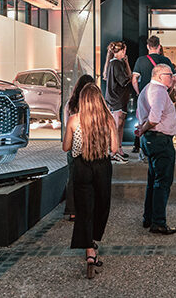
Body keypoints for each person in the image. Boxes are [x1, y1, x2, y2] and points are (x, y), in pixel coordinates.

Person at [62, 83, 114, 278]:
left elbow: (66, 147)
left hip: (81, 166)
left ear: (83, 100)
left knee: (84, 208)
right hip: (102, 166)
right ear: (99, 100)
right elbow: (114, 148)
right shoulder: (108, 119)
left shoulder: (74, 119)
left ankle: (89, 251)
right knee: (101, 205)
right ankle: (93, 239)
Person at [135, 63, 176, 235]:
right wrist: (143, 129)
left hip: (151, 140)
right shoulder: (159, 91)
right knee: (162, 182)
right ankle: (158, 222)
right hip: (160, 140)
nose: (173, 78)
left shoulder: (148, 88)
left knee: (153, 181)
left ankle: (149, 217)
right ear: (160, 76)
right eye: (170, 75)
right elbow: (154, 119)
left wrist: (143, 130)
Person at [131, 36, 175, 154]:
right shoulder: (165, 60)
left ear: (148, 46)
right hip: (160, 92)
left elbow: (134, 79)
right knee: (160, 118)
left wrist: (139, 93)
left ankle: (139, 145)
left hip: (146, 93)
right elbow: (174, 80)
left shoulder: (141, 60)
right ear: (159, 46)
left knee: (142, 119)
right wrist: (168, 91)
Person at [63, 74, 96, 222]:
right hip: (90, 147)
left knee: (73, 179)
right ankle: (87, 208)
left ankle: (72, 211)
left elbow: (67, 125)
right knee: (90, 180)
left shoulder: (70, 104)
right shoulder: (94, 106)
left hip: (74, 147)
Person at [102, 41, 132, 163]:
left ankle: (118, 150)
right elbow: (124, 80)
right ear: (121, 50)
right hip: (117, 99)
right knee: (117, 126)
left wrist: (126, 63)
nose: (125, 52)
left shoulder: (113, 63)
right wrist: (132, 77)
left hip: (116, 99)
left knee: (119, 126)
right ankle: (114, 152)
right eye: (124, 50)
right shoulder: (116, 64)